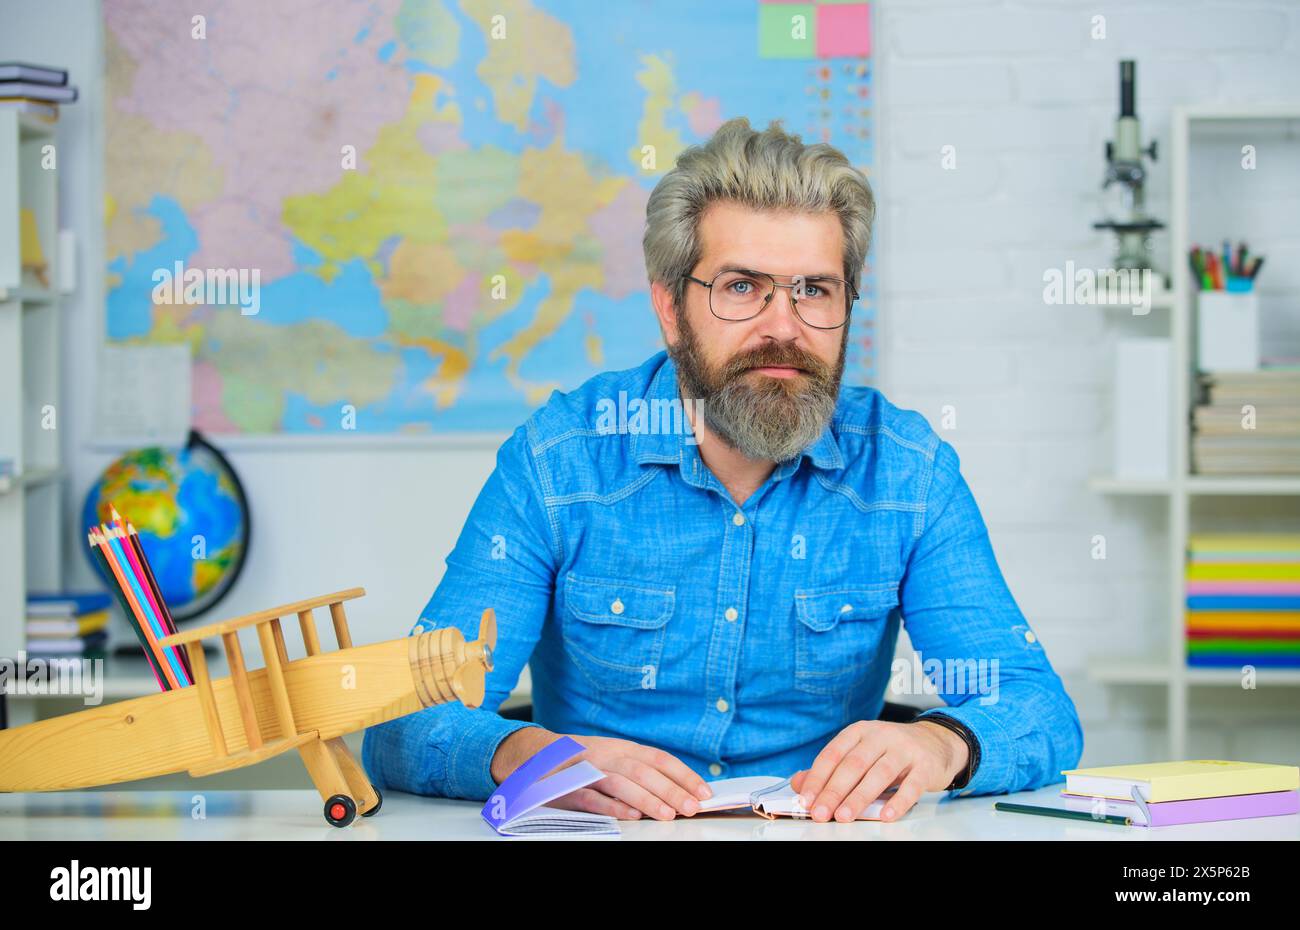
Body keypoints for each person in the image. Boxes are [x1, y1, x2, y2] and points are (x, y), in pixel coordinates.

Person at [362, 117, 1083, 824]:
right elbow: (403, 724)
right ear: (671, 309)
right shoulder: (557, 462)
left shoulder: (907, 472)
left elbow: (1036, 706)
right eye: (742, 287)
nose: (784, 326)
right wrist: (526, 753)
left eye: (815, 290)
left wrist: (939, 744)